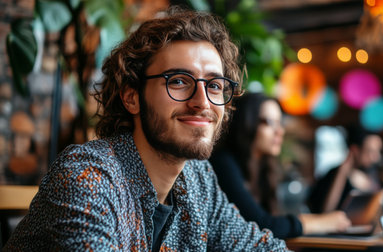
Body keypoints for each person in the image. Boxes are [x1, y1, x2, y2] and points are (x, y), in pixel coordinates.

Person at [4, 7, 288, 251]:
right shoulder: (89, 177)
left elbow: (259, 246)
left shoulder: (198, 179)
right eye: (178, 81)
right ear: (132, 97)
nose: (202, 102)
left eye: (214, 86)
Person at [209, 92, 351, 239]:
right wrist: (322, 222)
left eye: (280, 123)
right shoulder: (223, 164)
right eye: (269, 123)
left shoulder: (263, 168)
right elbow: (260, 226)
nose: (279, 131)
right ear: (246, 123)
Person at [308, 124, 383, 213]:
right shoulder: (332, 174)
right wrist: (342, 173)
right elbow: (326, 211)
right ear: (354, 150)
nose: (377, 157)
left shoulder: (371, 172)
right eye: (371, 151)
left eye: (378, 151)